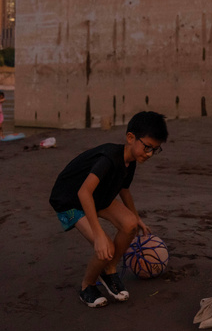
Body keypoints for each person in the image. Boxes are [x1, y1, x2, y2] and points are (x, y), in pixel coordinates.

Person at [49, 111, 169, 308]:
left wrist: (136, 216)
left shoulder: (130, 161)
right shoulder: (108, 158)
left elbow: (124, 189)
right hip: (69, 200)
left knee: (130, 224)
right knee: (105, 247)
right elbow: (84, 193)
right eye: (147, 147)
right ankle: (87, 285)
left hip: (98, 195)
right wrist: (98, 235)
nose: (149, 154)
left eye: (155, 150)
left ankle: (109, 270)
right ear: (130, 138)